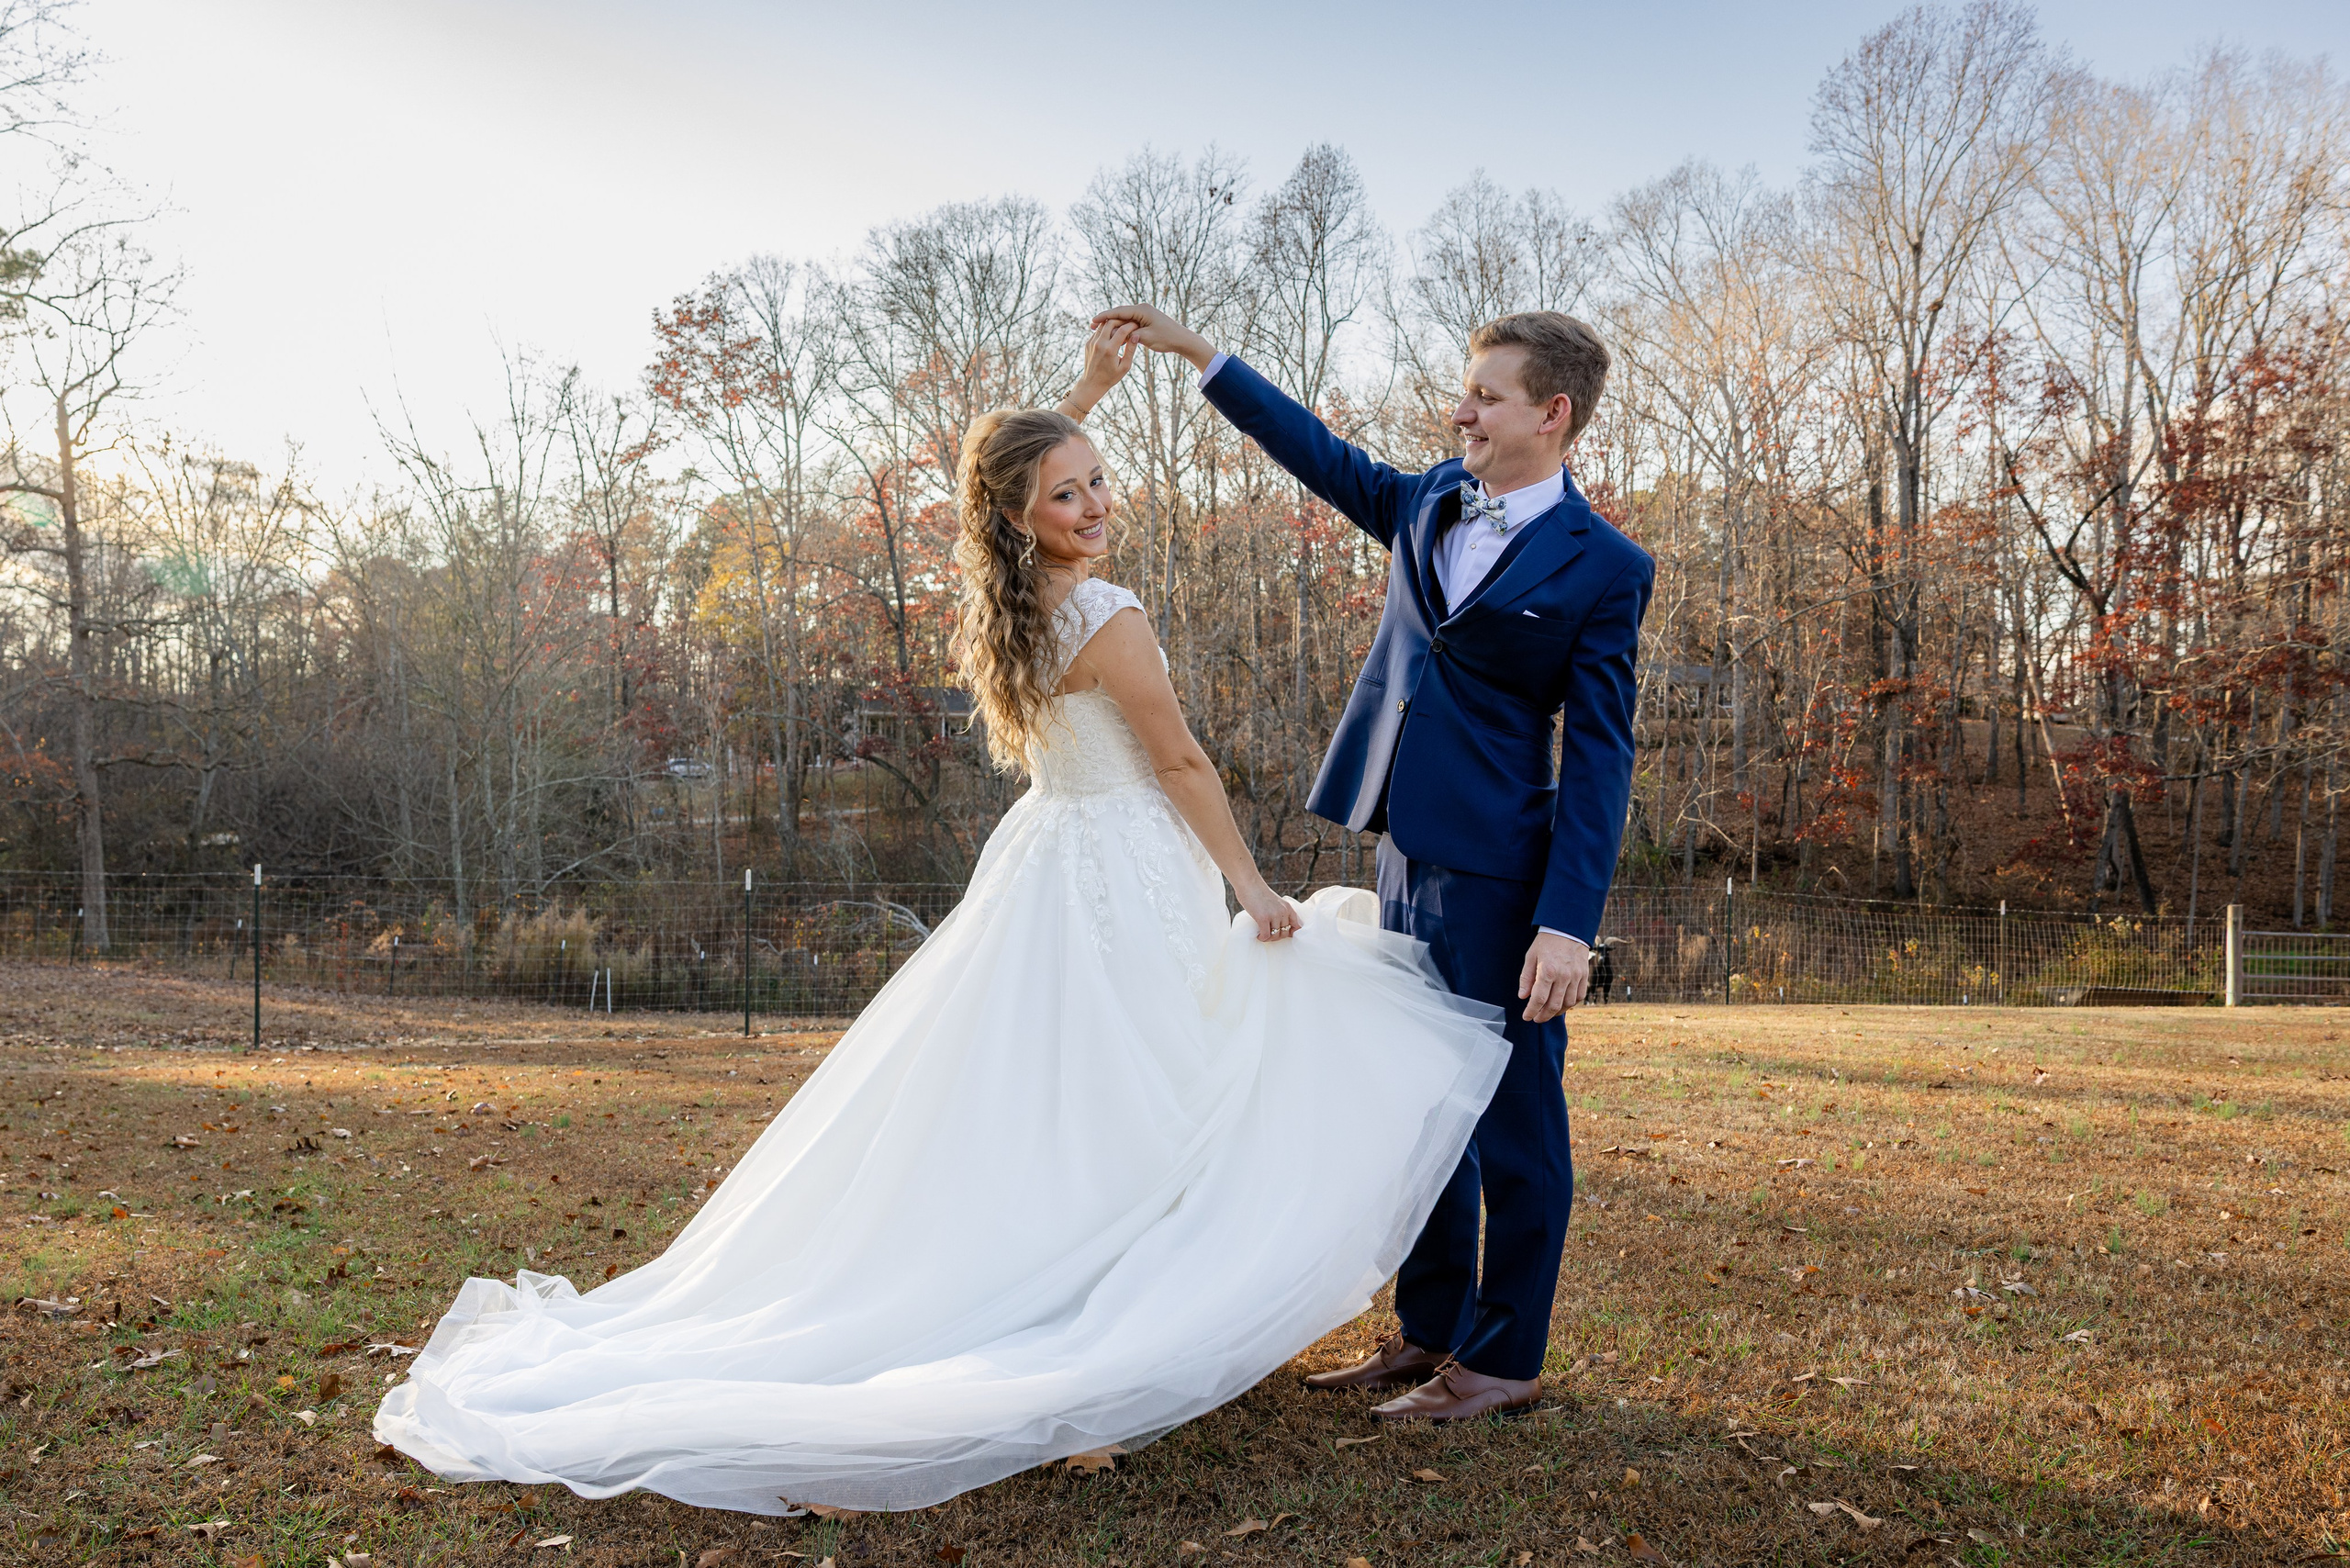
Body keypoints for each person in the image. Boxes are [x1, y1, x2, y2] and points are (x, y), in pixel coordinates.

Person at [372, 324, 1508, 1516]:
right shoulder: (1107, 614)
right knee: (1132, 1089)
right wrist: (1254, 888)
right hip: (1125, 863)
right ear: (1027, 514)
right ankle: (1083, 1320)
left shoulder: (1007, 601)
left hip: (1049, 863)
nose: (1094, 503)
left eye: (1101, 481)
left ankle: (1074, 1282)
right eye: (1069, 494)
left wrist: (1083, 399)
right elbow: (1179, 761)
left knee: (1059, 1091)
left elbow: (1007, 477)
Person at [1095, 303, 1652, 1422]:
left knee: (1512, 1120)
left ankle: (1503, 1360)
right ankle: (1430, 1328)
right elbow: (1313, 450)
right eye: (1465, 391)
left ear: (1552, 414)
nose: (1462, 411)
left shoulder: (1606, 567)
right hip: (1401, 850)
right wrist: (1205, 356)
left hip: (1503, 877)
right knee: (1414, 1105)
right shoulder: (1426, 501)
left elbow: (1600, 756)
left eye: (1487, 395)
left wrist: (1566, 922)